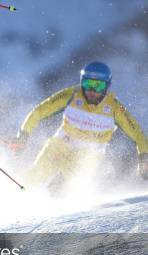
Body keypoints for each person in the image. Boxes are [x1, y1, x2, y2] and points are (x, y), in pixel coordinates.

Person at [12, 61, 147, 191]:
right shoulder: (72, 94)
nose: (92, 91)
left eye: (98, 86)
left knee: (70, 186)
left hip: (89, 154)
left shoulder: (115, 107)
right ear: (82, 82)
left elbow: (138, 135)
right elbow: (38, 112)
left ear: (107, 87)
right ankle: (20, 196)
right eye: (88, 84)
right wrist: (23, 136)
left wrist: (144, 158)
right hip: (61, 145)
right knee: (36, 176)